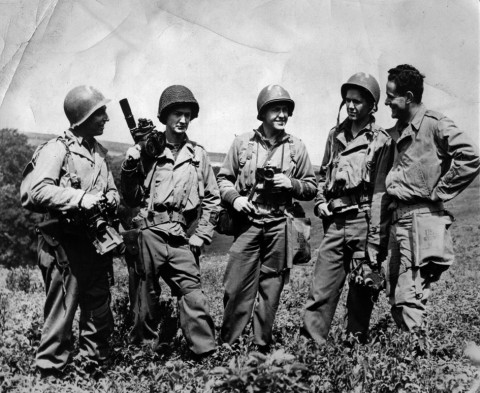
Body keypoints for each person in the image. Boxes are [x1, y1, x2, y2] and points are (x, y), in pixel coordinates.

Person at [25, 86, 120, 376]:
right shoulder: (57, 149)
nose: (106, 117)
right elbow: (36, 192)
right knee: (62, 312)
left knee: (98, 308)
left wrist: (111, 199)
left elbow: (111, 189)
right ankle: (51, 372)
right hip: (65, 246)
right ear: (84, 116)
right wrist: (79, 198)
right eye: (101, 112)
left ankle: (93, 367)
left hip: (95, 244)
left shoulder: (98, 153)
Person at [378, 64, 480, 331]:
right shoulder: (397, 130)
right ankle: (410, 360)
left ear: (409, 97)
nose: (386, 101)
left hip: (421, 221)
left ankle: (416, 360)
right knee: (397, 293)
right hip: (399, 220)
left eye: (391, 96)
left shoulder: (435, 124)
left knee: (409, 295)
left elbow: (470, 156)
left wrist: (441, 190)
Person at [120, 85, 219, 357]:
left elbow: (213, 198)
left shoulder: (198, 155)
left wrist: (200, 236)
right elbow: (130, 198)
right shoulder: (149, 151)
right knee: (145, 294)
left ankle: (205, 354)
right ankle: (142, 354)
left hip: (179, 235)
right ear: (164, 116)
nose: (183, 120)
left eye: (187, 114)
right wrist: (130, 165)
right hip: (149, 231)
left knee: (192, 292)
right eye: (177, 113)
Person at [217, 84, 317, 351]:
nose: (282, 114)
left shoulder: (297, 147)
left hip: (280, 225)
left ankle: (261, 347)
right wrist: (235, 199)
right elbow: (223, 179)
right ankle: (230, 345)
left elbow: (312, 186)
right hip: (248, 223)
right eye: (276, 109)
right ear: (263, 112)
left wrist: (292, 184)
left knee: (271, 289)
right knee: (236, 286)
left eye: (286, 110)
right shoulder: (242, 143)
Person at [302, 73, 394, 345]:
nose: (351, 106)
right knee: (320, 291)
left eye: (358, 101)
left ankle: (355, 350)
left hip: (364, 222)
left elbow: (380, 193)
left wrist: (376, 242)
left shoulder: (382, 140)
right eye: (347, 101)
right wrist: (319, 202)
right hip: (335, 224)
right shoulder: (335, 135)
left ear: (372, 105)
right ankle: (310, 350)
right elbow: (322, 177)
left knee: (362, 290)